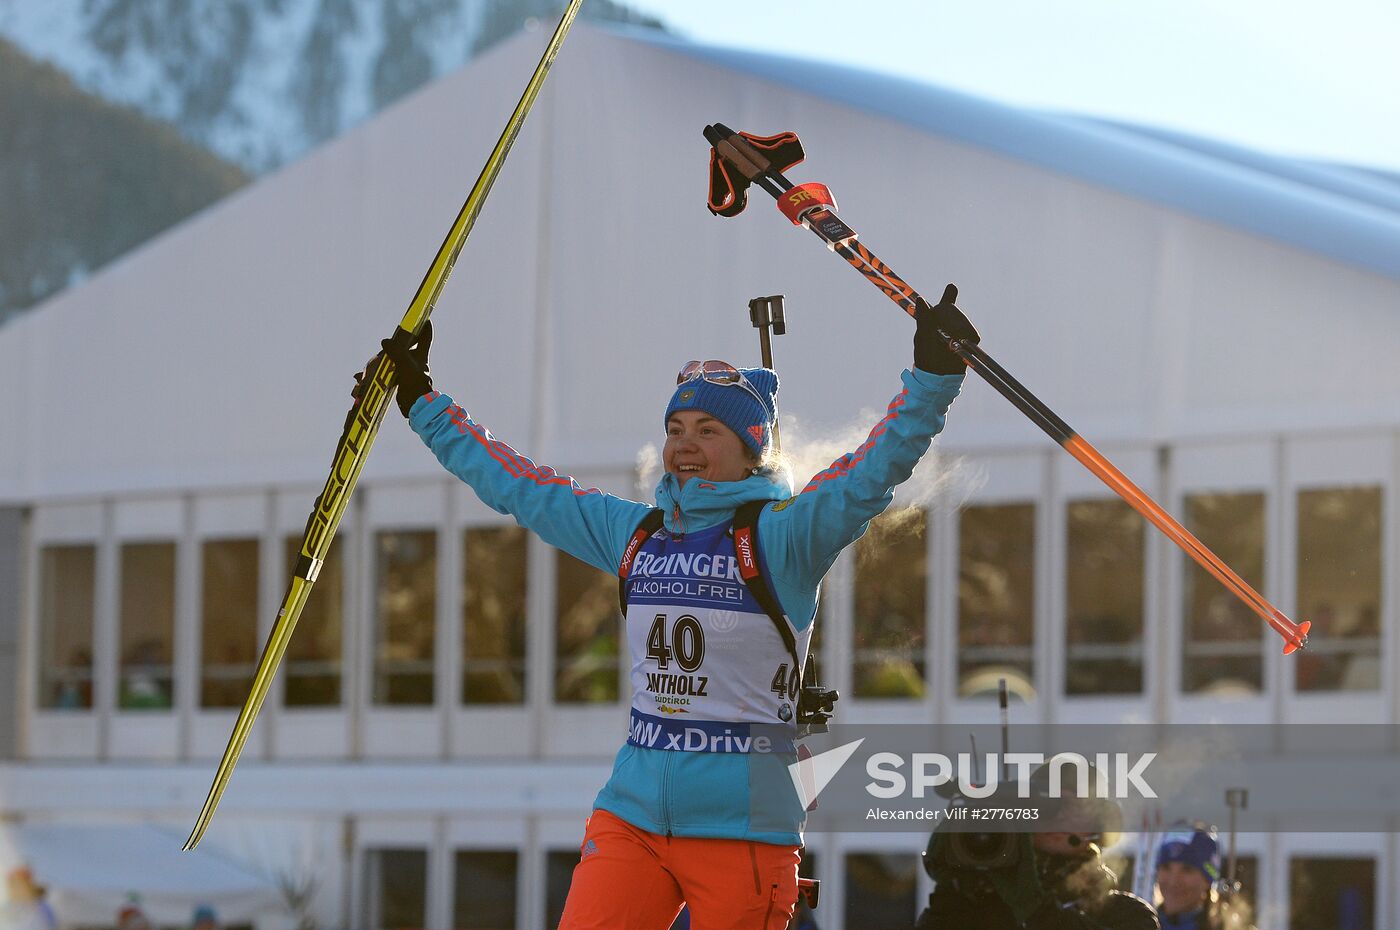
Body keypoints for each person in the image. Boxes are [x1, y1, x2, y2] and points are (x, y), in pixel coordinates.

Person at [364, 284, 976, 929]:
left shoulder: (784, 536)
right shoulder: (637, 534)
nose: (684, 443)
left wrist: (932, 379)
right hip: (633, 817)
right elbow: (518, 485)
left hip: (742, 829)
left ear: (752, 448)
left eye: (708, 430)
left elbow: (870, 472)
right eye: (675, 429)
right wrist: (422, 403)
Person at [916, 764, 1158, 930]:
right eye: (1048, 806)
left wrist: (1037, 911)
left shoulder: (1125, 914)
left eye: (1074, 807)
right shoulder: (976, 907)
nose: (1059, 817)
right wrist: (956, 882)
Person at [1154, 823, 1255, 930]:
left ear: (1207, 880)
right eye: (1166, 867)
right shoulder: (1143, 923)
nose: (1173, 880)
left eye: (1187, 870)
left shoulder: (1227, 926)